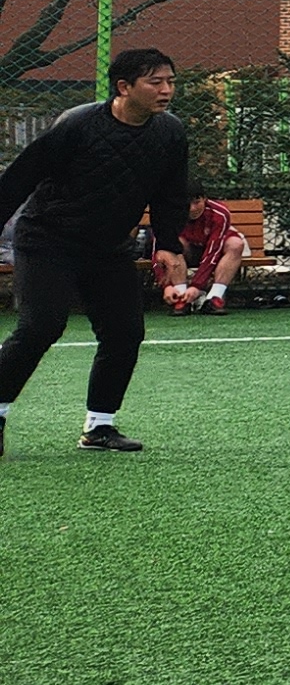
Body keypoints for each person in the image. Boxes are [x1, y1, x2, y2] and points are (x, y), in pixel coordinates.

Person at [0, 45, 192, 454]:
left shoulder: (170, 132)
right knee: (40, 327)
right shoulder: (78, 124)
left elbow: (170, 194)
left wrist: (168, 245)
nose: (166, 90)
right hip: (48, 240)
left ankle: (99, 427)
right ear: (124, 87)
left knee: (125, 332)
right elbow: (20, 178)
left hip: (108, 248)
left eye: (171, 82)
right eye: (155, 82)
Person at [153, 195, 245, 313]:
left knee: (235, 244)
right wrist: (166, 286)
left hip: (213, 253)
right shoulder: (167, 212)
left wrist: (196, 286)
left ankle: (214, 297)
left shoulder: (219, 213)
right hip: (186, 253)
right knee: (174, 243)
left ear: (205, 199)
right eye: (187, 204)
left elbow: (214, 250)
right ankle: (181, 297)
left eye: (197, 202)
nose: (192, 208)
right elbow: (159, 250)